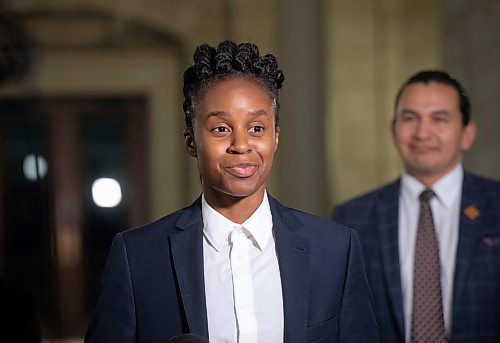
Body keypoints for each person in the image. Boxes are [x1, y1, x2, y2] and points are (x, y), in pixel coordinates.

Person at [85, 40, 378, 342]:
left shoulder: (335, 250)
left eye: (256, 128)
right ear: (190, 141)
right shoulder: (138, 258)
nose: (241, 145)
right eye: (221, 129)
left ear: (275, 138)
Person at [332, 70, 500, 342]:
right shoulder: (352, 218)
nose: (422, 132)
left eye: (439, 118)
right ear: (393, 129)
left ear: (467, 134)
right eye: (410, 118)